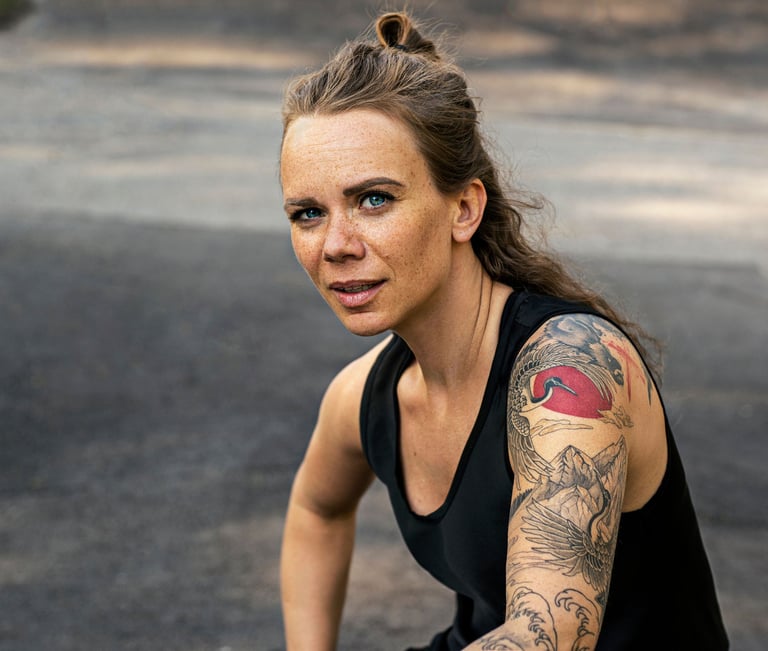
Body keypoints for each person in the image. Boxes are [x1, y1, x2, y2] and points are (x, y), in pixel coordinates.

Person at [278, 10, 729, 651]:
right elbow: (316, 510)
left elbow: (549, 635)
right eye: (307, 213)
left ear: (464, 208)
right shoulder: (365, 397)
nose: (336, 244)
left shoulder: (570, 371)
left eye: (374, 199)